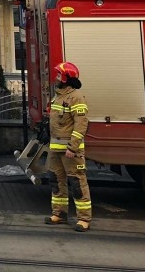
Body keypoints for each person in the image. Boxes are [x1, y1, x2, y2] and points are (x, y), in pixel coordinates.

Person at [44, 61, 92, 233]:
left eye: (58, 75)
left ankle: (84, 219)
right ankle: (59, 213)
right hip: (55, 148)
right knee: (56, 180)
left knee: (77, 182)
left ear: (66, 78)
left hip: (70, 151)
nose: (56, 78)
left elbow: (81, 125)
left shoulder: (76, 97)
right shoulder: (58, 96)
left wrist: (72, 147)